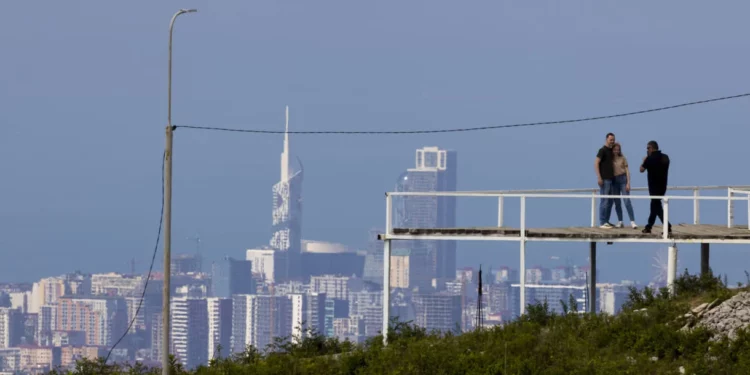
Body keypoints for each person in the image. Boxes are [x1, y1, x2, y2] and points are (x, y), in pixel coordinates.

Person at [640, 140, 672, 234]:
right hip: (663, 187)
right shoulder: (665, 157)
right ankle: (649, 226)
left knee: (656, 206)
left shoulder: (649, 159)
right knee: (654, 206)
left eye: (647, 148)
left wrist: (644, 160)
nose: (647, 150)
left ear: (651, 148)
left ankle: (667, 226)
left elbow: (641, 169)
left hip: (654, 187)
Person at [612, 142, 637, 229]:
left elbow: (627, 171)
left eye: (618, 149)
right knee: (617, 202)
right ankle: (620, 221)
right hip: (614, 181)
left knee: (627, 201)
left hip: (623, 179)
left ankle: (632, 221)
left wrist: (628, 183)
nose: (616, 151)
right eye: (615, 149)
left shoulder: (623, 158)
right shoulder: (610, 159)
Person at [595, 133, 616, 228]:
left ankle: (606, 220)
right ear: (606, 139)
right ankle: (602, 222)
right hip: (605, 179)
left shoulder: (612, 151)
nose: (612, 141)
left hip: (612, 179)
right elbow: (596, 163)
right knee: (604, 200)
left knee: (610, 201)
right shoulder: (602, 150)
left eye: (613, 140)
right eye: (610, 139)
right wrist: (599, 177)